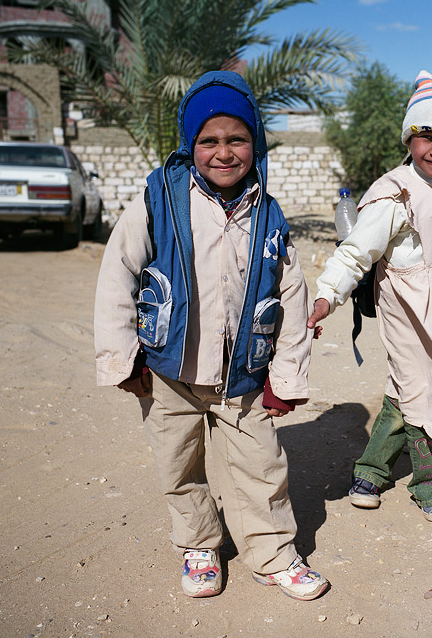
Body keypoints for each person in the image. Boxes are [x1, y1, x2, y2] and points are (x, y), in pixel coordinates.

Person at [93, 71, 328, 601]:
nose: (224, 152)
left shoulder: (268, 214)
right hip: (169, 373)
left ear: (256, 144)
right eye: (209, 140)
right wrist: (124, 360)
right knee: (178, 463)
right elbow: (117, 275)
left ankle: (271, 554)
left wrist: (286, 378)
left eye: (237, 139)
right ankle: (199, 543)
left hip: (244, 375)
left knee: (262, 466)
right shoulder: (158, 202)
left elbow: (291, 297)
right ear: (190, 144)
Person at [307, 71, 432, 524]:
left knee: (408, 387)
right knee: (428, 387)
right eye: (426, 137)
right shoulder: (392, 192)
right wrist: (326, 297)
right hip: (406, 306)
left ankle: (372, 470)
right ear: (409, 137)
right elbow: (357, 253)